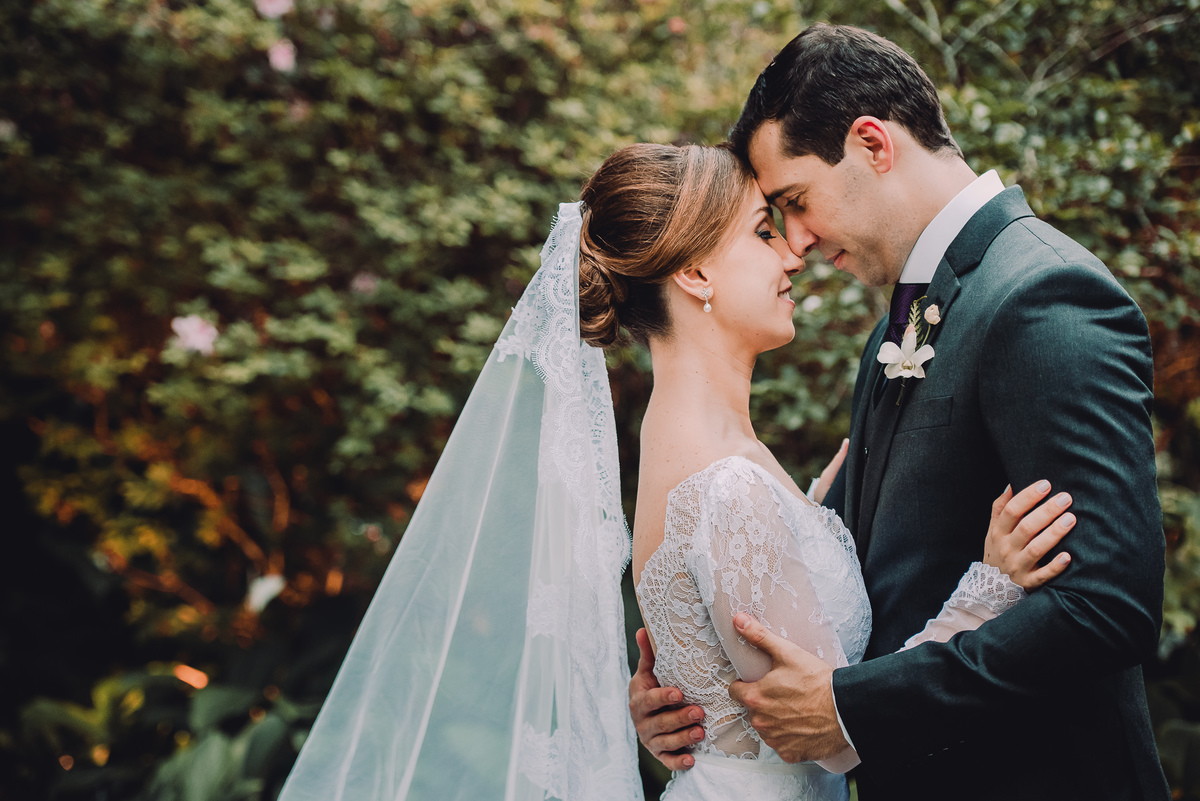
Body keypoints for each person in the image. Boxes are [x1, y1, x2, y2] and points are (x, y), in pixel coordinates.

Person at [276, 140, 1073, 801]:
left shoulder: (701, 450)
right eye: (763, 231)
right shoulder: (724, 487)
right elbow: (832, 736)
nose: (792, 253)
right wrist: (989, 590)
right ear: (694, 274)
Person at [629, 24, 1169, 801]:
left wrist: (852, 712)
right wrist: (705, 699)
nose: (798, 242)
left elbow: (1107, 607)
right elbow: (848, 581)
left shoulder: (1043, 295)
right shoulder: (898, 328)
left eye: (796, 202)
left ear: (872, 144)